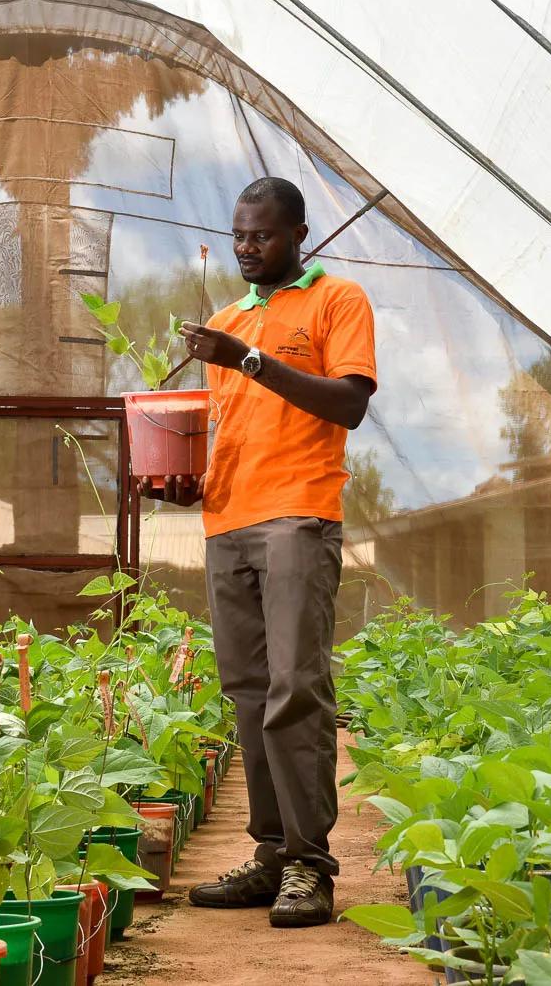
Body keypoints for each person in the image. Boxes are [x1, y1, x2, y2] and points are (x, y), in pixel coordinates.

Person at [143, 176, 377, 928]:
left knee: (296, 688)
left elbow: (349, 402)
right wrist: (185, 483)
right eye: (240, 235)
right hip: (227, 520)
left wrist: (248, 359)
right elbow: (226, 429)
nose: (248, 247)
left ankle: (312, 864)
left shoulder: (336, 301)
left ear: (298, 234)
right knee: (247, 693)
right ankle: (273, 854)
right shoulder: (224, 321)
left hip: (299, 516)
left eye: (263, 235)